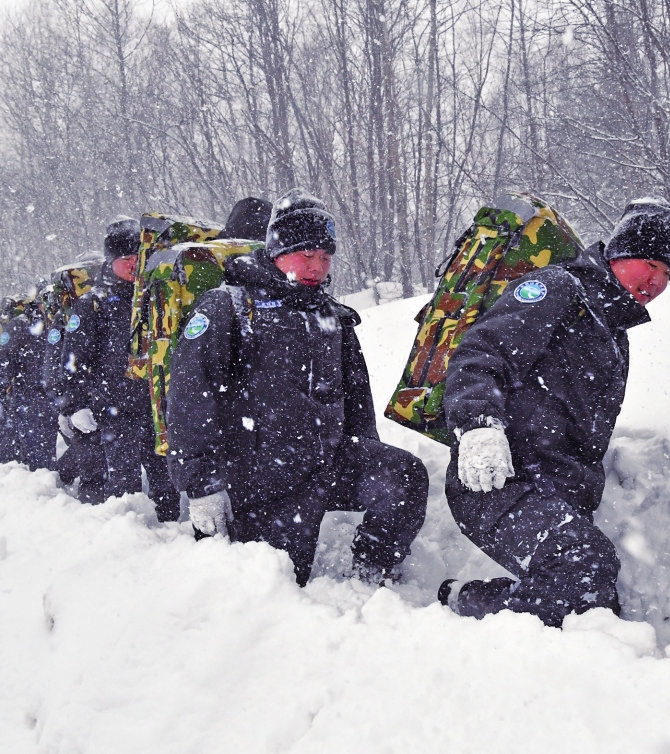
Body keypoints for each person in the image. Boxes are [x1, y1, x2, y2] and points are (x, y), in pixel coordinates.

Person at [438, 197, 670, 627]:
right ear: (620, 251)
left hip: (555, 495)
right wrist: (478, 425)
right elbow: (480, 354)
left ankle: (475, 601)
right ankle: (477, 608)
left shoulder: (614, 337)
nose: (656, 280)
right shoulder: (558, 289)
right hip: (498, 480)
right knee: (582, 567)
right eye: (649, 262)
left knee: (593, 602)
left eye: (667, 273)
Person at [165, 188, 429, 587]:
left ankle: (371, 573)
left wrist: (366, 447)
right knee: (280, 585)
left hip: (328, 463)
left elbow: (356, 397)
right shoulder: (228, 307)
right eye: (306, 254)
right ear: (276, 250)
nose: (317, 267)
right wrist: (202, 484)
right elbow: (189, 397)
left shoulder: (330, 314)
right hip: (260, 480)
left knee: (405, 474)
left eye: (325, 257)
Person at [52, 217, 180, 518]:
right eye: (126, 259)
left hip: (154, 407)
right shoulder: (93, 303)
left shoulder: (156, 298)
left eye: (140, 257)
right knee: (122, 482)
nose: (134, 264)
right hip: (112, 410)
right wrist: (75, 405)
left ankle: (172, 538)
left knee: (165, 480)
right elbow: (74, 359)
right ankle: (121, 539)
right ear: (111, 261)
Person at [0, 292, 57, 471]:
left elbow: (4, 359)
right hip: (38, 397)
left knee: (40, 452)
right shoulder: (30, 324)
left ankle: (42, 485)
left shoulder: (23, 325)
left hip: (41, 397)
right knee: (41, 453)